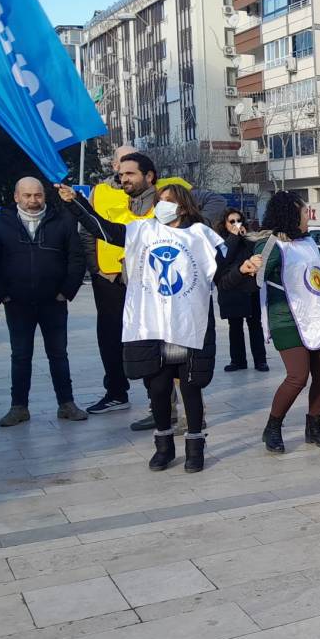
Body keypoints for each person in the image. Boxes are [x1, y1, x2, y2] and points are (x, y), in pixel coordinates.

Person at [59, 182, 230, 474]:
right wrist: (75, 202)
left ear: (184, 206)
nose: (161, 205)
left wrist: (246, 270)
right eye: (160, 200)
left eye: (168, 200)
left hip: (189, 324)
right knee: (159, 388)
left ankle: (195, 446)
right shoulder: (142, 231)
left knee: (190, 389)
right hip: (151, 324)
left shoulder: (201, 235)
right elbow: (102, 228)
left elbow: (224, 276)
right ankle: (163, 446)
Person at [220, 191, 320, 453]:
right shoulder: (272, 246)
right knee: (297, 377)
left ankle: (314, 426)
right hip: (287, 321)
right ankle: (273, 427)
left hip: (318, 316)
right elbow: (248, 283)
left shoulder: (308, 243)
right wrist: (245, 269)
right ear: (290, 215)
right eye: (303, 212)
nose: (308, 216)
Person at [0, 178, 88, 427]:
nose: (33, 201)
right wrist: (1, 293)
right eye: (27, 196)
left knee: (58, 355)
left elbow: (76, 258)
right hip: (18, 304)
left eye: (38, 195)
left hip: (53, 302)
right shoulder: (1, 225)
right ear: (16, 197)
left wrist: (66, 291)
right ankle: (18, 407)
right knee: (20, 355)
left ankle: (66, 404)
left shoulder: (63, 221)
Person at [215, 208, 268, 373]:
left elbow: (257, 255)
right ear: (225, 224)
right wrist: (234, 237)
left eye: (239, 220)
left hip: (249, 288)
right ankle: (237, 361)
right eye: (232, 221)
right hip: (231, 289)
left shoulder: (248, 239)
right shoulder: (221, 241)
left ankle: (260, 360)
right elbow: (224, 258)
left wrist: (244, 238)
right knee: (235, 326)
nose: (236, 224)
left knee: (255, 325)